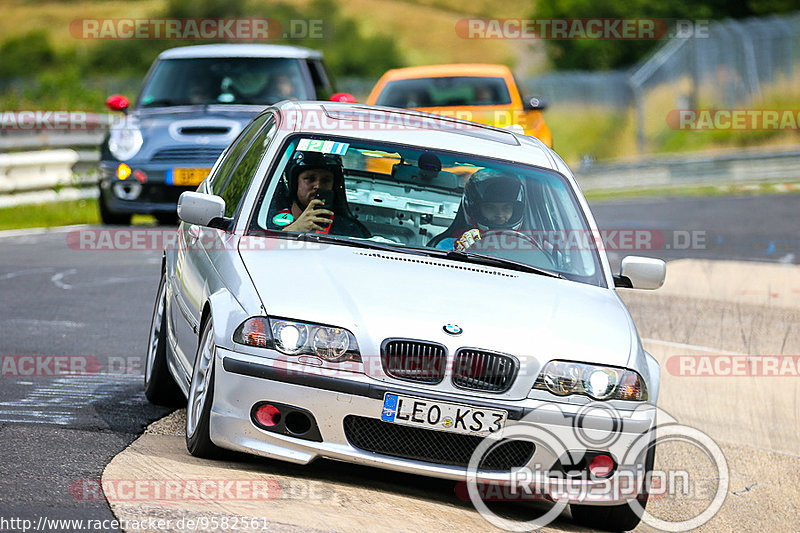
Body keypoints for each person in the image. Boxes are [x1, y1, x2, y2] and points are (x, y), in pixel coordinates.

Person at [266, 151, 370, 237]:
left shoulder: (349, 230)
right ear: (294, 183)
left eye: (326, 180)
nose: (318, 186)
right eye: (310, 179)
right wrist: (294, 229)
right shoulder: (264, 220)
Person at [429, 169, 525, 250]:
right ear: (477, 210)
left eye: (506, 208)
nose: (499, 214)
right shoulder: (449, 245)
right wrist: (460, 252)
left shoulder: (524, 248)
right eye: (490, 208)